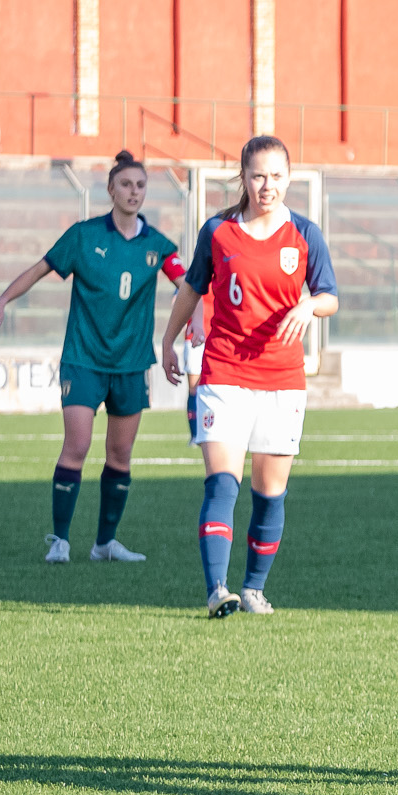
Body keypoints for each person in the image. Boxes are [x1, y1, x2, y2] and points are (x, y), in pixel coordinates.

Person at [158, 136, 339, 617]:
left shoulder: (305, 234)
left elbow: (330, 296)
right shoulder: (218, 231)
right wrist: (168, 340)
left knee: (270, 493)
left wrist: (309, 305)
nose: (267, 186)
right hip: (224, 373)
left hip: (282, 378)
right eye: (258, 176)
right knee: (222, 484)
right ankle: (217, 589)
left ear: (289, 178)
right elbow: (191, 288)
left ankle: (254, 588)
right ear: (243, 177)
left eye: (277, 176)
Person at [0, 150, 184, 565]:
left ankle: (105, 543)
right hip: (83, 359)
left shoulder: (159, 245)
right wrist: (1, 302)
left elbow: (189, 285)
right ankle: (61, 541)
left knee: (120, 455)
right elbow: (39, 269)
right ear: (110, 189)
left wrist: (190, 323)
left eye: (140, 185)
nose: (134, 192)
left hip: (131, 364)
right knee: (78, 445)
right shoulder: (84, 236)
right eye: (126, 184)